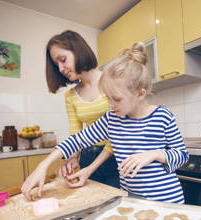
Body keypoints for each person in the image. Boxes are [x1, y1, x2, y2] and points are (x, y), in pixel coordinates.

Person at [22, 42, 189, 203]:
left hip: (167, 200)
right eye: (107, 98)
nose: (110, 105)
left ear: (140, 94)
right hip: (131, 199)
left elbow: (182, 155)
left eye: (116, 99)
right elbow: (77, 140)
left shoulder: (163, 116)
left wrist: (154, 154)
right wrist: (43, 165)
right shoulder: (112, 119)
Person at [46, 30, 119, 188]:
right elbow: (76, 134)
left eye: (63, 60)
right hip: (88, 158)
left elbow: (122, 128)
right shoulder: (70, 96)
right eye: (56, 64)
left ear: (78, 50)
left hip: (117, 156)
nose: (60, 68)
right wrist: (72, 158)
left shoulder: (113, 80)